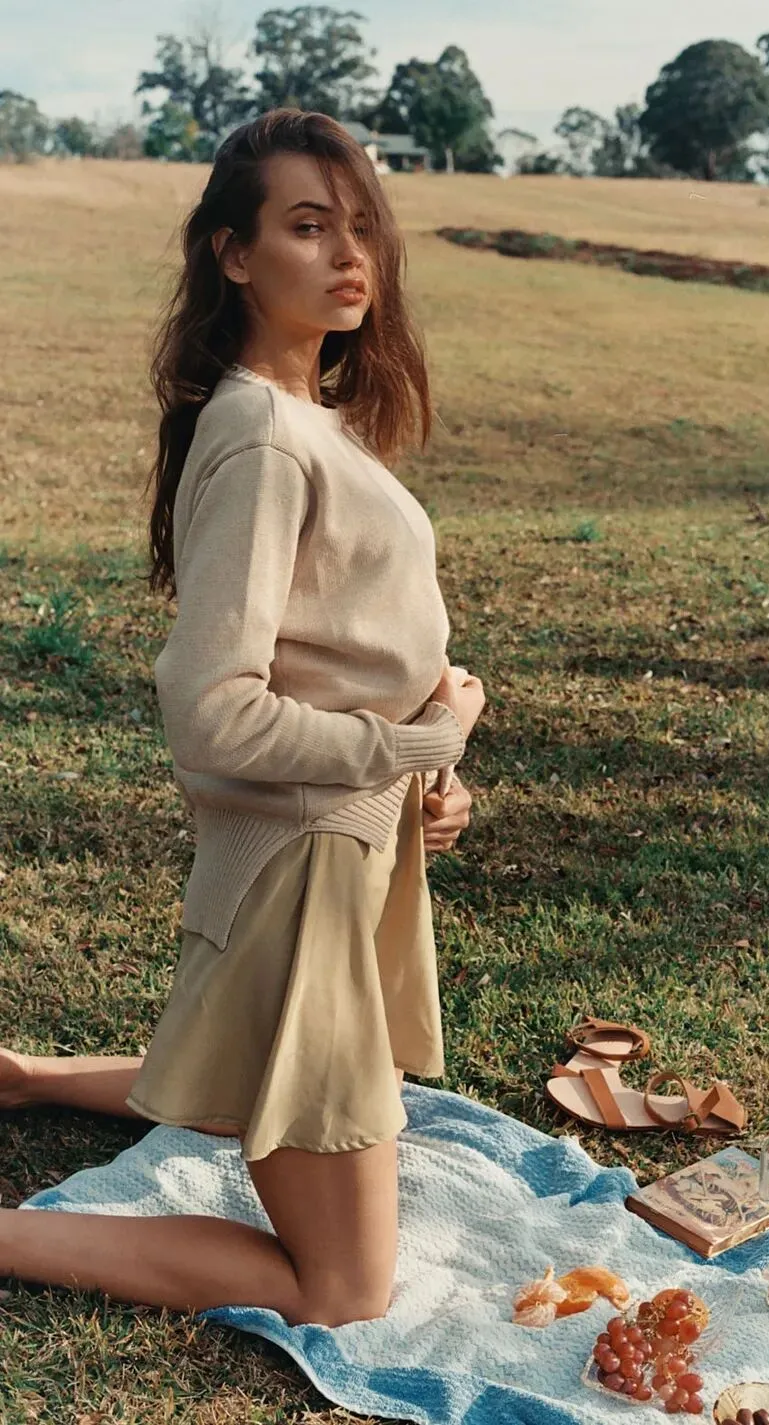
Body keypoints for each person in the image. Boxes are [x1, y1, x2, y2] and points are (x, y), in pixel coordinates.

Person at [0, 108, 485, 1329]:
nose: (348, 254)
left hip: (341, 860)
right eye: (307, 226)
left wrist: (421, 779)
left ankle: (26, 1079)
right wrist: (409, 746)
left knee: (279, 1073)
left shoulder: (308, 418)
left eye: (360, 224)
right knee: (345, 1288)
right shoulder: (264, 437)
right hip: (296, 884)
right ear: (232, 253)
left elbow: (336, 647)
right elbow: (212, 714)